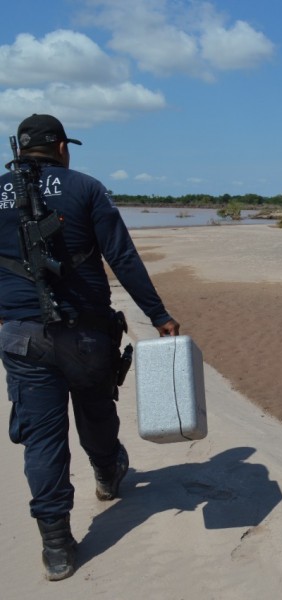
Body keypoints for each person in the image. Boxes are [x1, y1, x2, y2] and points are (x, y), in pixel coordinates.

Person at [0, 114, 180, 581]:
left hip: (21, 336)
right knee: (97, 411)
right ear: (61, 147)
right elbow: (121, 256)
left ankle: (56, 546)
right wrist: (158, 315)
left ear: (19, 150)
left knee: (42, 439)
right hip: (86, 332)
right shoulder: (85, 188)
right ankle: (106, 474)